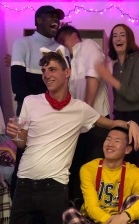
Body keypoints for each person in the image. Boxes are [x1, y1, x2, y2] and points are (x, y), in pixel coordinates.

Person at [6, 51, 139, 224]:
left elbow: (110, 123)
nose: (46, 75)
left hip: (55, 186)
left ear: (67, 72)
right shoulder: (30, 102)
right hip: (25, 182)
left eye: (52, 69)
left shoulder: (80, 109)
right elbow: (22, 144)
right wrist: (15, 135)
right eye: (44, 71)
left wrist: (132, 123)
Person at [9, 5, 68, 198]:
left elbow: (65, 85)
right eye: (50, 16)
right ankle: (19, 206)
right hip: (29, 111)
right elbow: (18, 84)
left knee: (54, 157)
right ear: (37, 20)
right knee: (25, 155)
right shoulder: (22, 43)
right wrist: (37, 109)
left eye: (57, 17)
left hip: (57, 112)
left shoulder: (63, 50)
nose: (55, 20)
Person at [55, 24, 110, 207]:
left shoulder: (88, 46)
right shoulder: (71, 59)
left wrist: (85, 110)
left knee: (92, 168)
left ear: (72, 36)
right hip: (80, 123)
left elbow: (93, 77)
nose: (62, 44)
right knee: (77, 167)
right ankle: (77, 210)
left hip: (95, 120)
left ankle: (94, 214)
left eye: (62, 40)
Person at [95, 24, 139, 166]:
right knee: (113, 160)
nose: (118, 39)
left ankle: (130, 189)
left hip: (137, 117)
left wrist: (109, 78)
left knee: (129, 162)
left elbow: (134, 95)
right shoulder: (115, 66)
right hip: (120, 117)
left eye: (122, 35)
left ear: (129, 39)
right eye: (114, 35)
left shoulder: (138, 60)